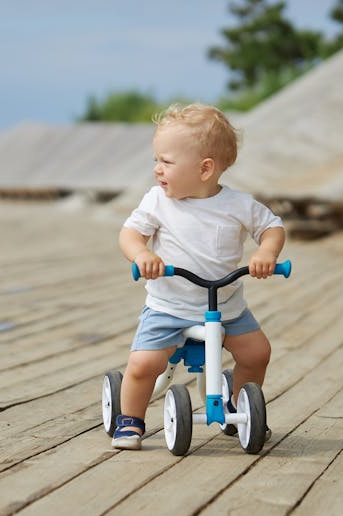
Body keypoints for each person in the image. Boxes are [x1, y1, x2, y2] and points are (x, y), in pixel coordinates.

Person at [113, 103, 285, 450]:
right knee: (144, 363)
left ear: (205, 169)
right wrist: (143, 254)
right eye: (155, 161)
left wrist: (266, 253)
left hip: (226, 307)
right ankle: (130, 419)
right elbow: (130, 234)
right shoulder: (158, 201)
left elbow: (272, 227)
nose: (157, 170)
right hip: (168, 306)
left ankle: (239, 405)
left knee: (257, 353)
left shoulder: (238, 205)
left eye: (166, 162)